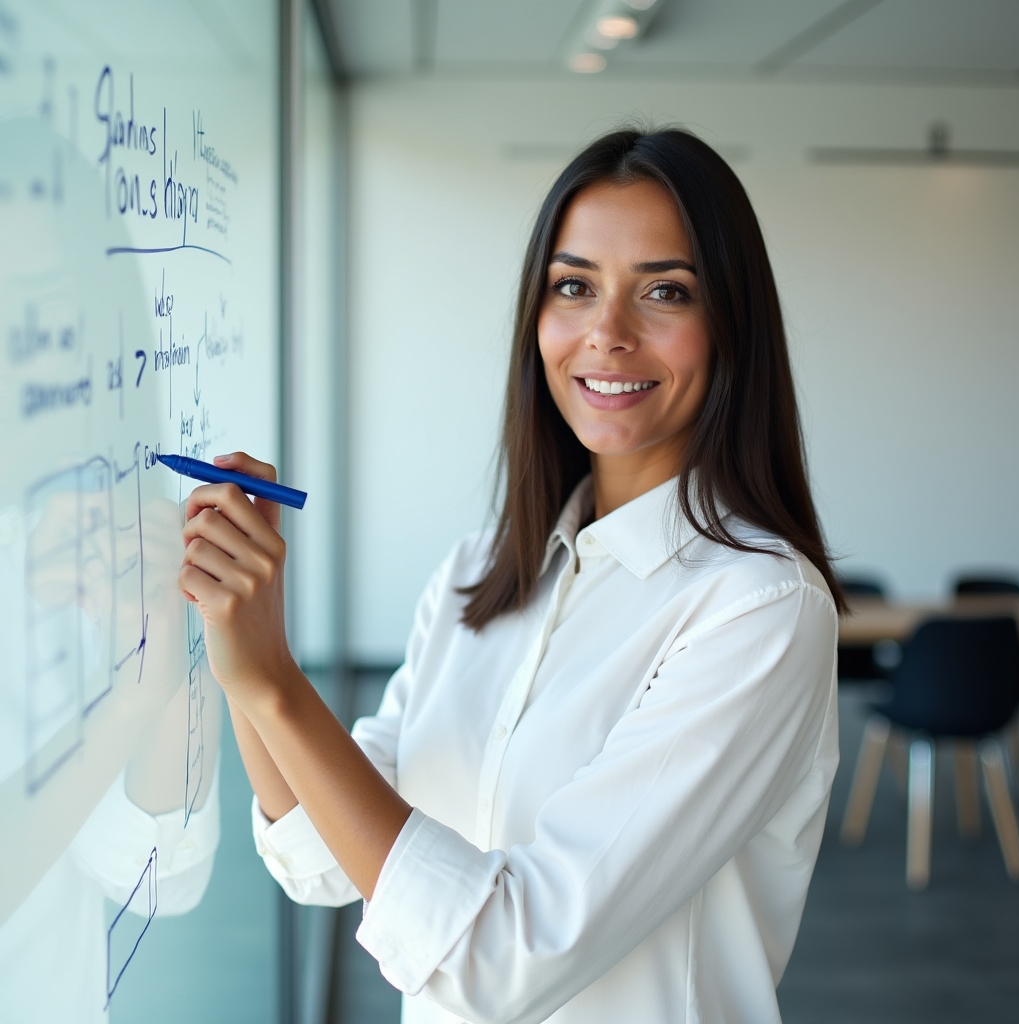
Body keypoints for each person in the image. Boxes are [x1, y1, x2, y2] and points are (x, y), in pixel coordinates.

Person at [179, 127, 842, 1023]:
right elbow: (322, 855)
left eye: (665, 291)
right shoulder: (481, 570)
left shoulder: (759, 609)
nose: (607, 333)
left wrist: (274, 682)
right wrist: (242, 650)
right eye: (574, 286)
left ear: (733, 327)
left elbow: (502, 959)